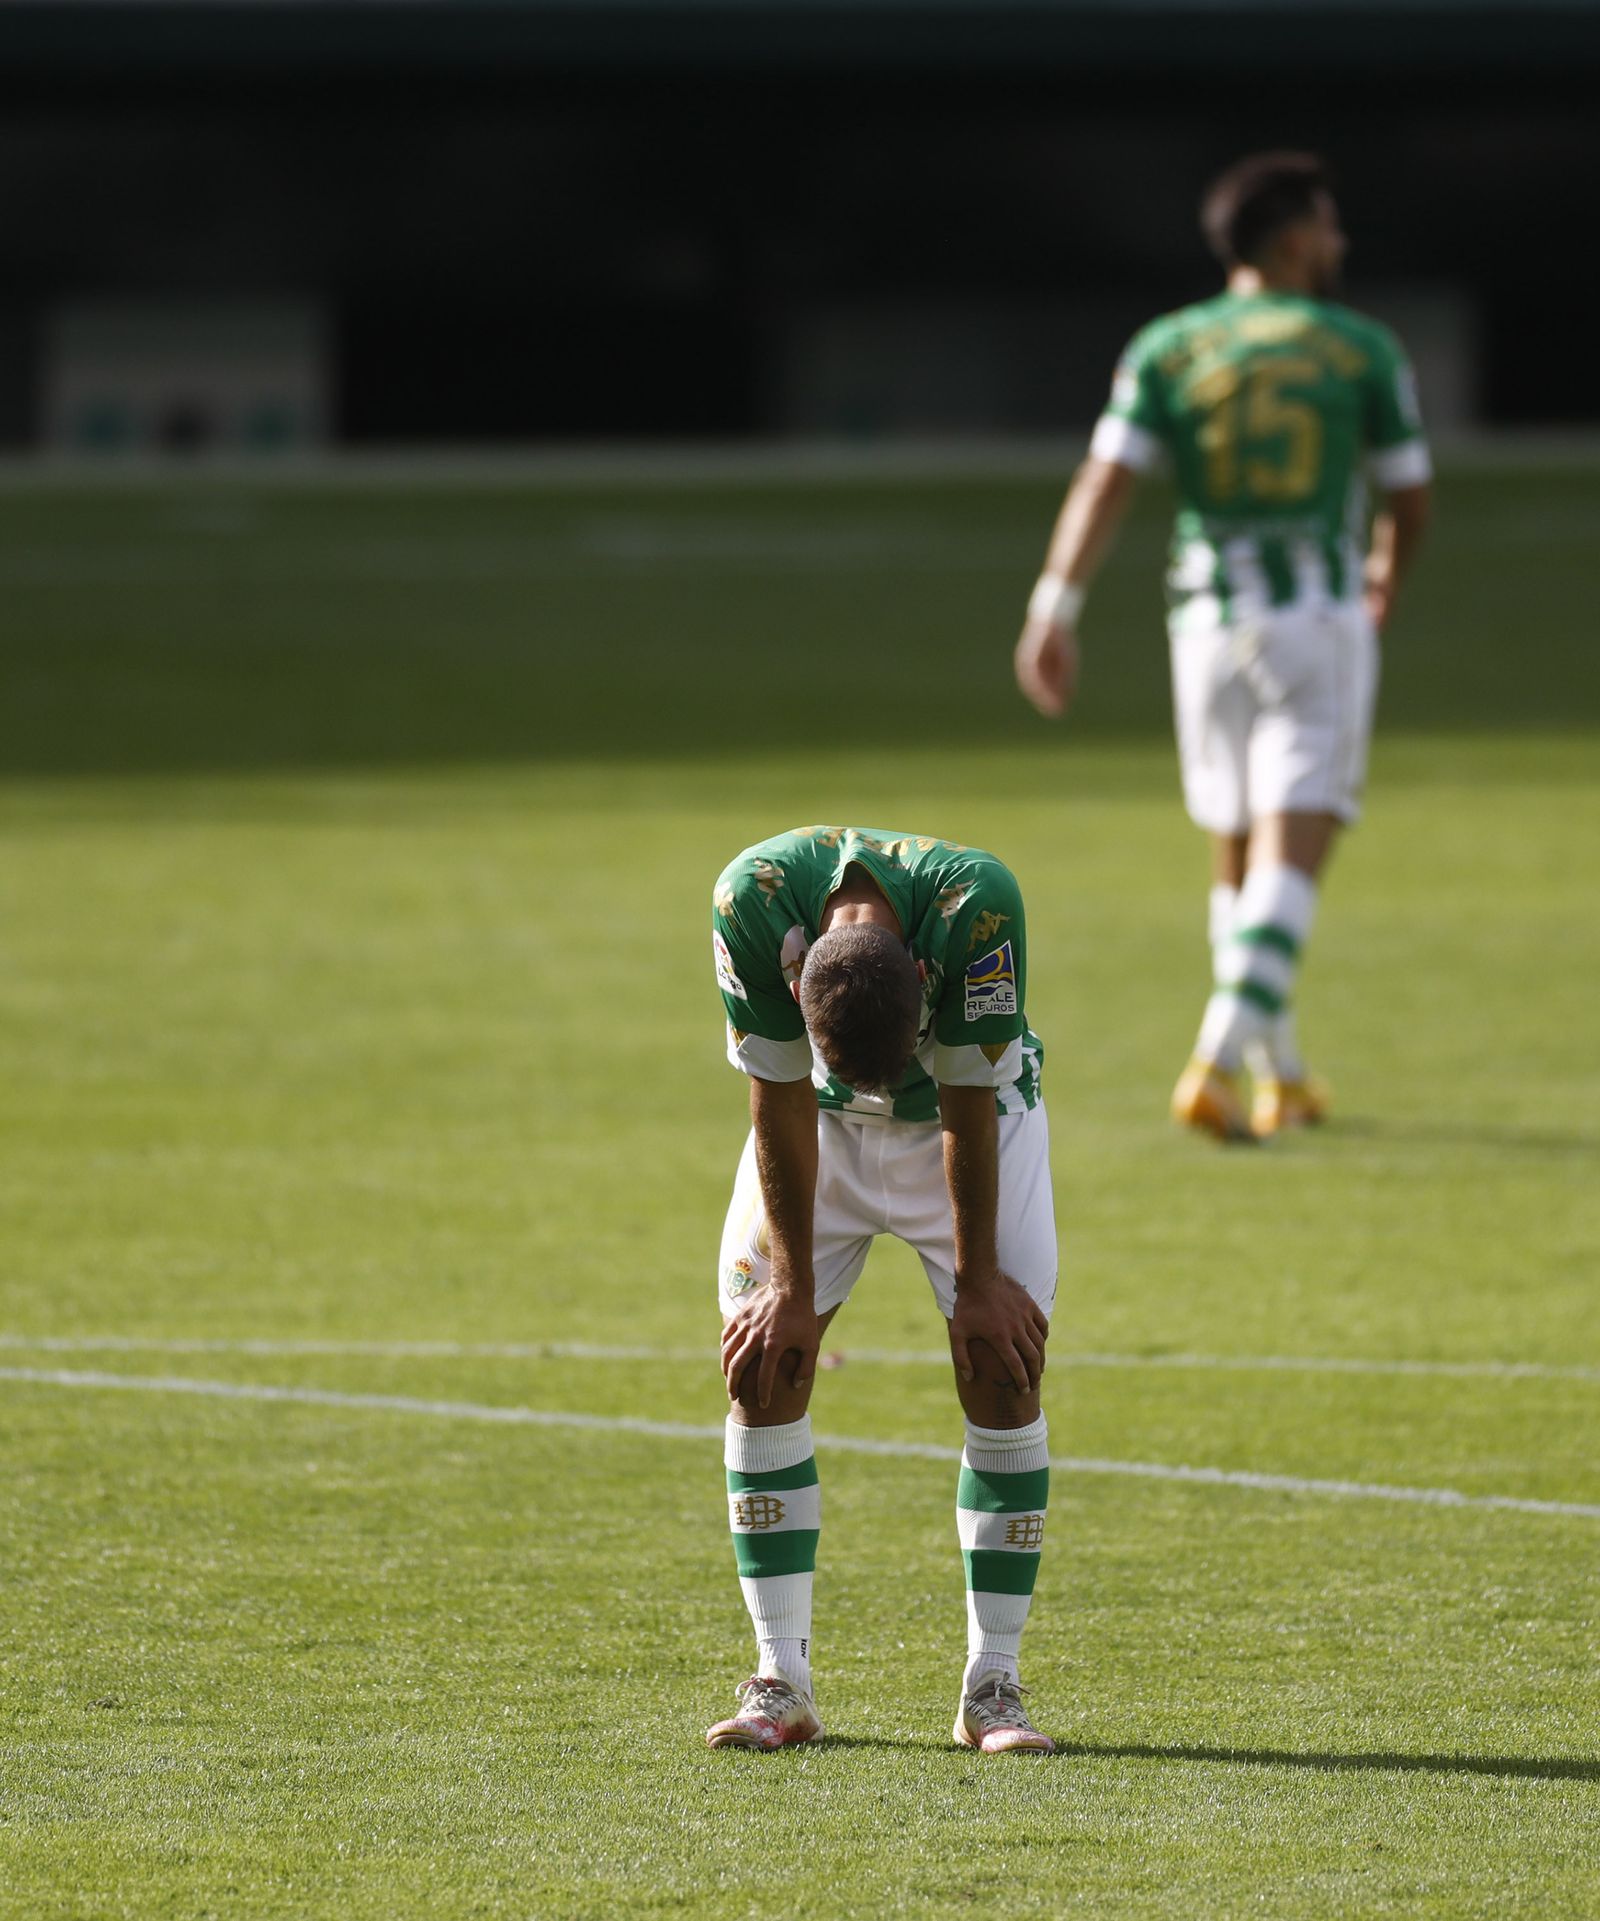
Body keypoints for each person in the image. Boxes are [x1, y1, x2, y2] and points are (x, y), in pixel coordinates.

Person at [1015, 151, 1432, 1141]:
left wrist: (1053, 607)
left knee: (1235, 853)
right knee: (1299, 840)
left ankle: (1278, 1070)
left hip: (1202, 623)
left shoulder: (1169, 345)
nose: (1337, 244)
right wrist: (1384, 573)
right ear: (1291, 240)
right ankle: (1211, 1057)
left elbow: (1104, 479)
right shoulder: (1358, 347)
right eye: (1326, 227)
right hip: (1313, 618)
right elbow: (1409, 496)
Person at [705, 825, 1057, 1754]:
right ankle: (780, 1675)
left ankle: (995, 1682)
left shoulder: (980, 908)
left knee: (1002, 1363)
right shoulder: (750, 901)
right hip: (816, 1125)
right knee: (760, 1360)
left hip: (971, 1119)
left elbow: (966, 1099)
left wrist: (980, 1282)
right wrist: (785, 1286)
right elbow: (777, 1095)